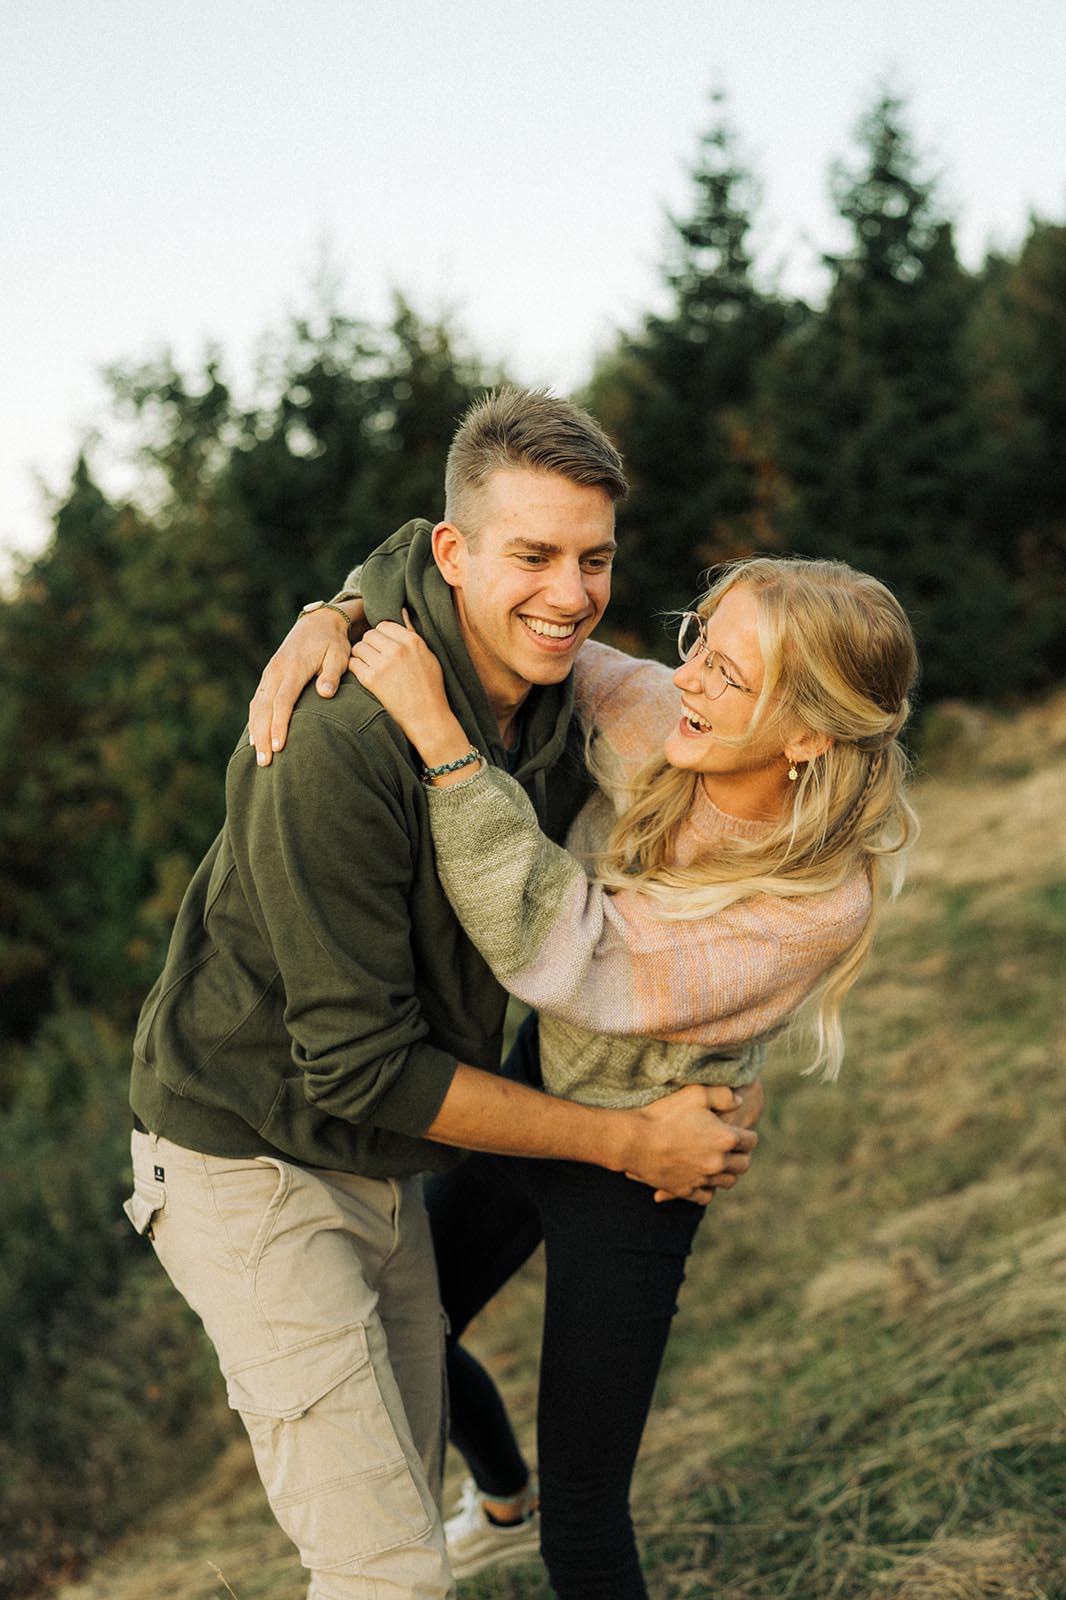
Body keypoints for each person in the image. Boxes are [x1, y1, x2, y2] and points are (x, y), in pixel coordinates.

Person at [123, 388, 758, 1600]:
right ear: (457, 555)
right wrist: (631, 1144)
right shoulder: (335, 740)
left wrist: (726, 1072)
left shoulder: (552, 686)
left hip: (381, 1158)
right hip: (245, 1156)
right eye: (533, 556)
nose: (570, 596)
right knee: (389, 1574)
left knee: (405, 1513)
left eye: (594, 559)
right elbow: (362, 1064)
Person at [273, 552, 916, 1598]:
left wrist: (444, 744)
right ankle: (498, 1502)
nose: (691, 677)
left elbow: (569, 952)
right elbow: (527, 625)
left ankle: (539, 1510)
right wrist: (333, 606)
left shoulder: (816, 903)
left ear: (808, 734)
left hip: (642, 1167)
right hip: (532, 1101)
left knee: (588, 1515)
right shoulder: (667, 714)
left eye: (731, 671)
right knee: (400, 1332)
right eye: (697, 639)